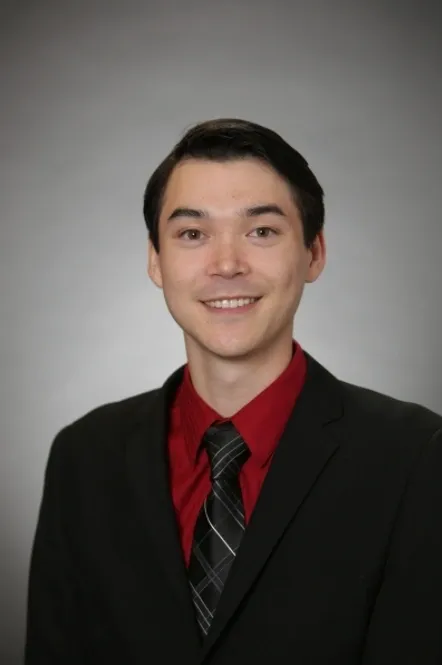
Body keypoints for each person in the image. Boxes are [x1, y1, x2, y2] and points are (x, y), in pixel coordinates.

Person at [25, 118, 442, 665]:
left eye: (261, 231)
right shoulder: (84, 455)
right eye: (192, 234)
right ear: (156, 259)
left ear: (314, 253)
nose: (226, 265)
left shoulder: (417, 456)